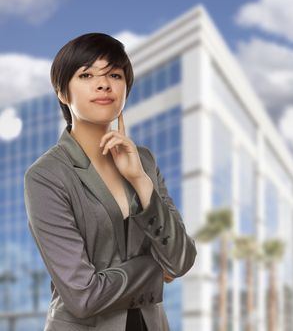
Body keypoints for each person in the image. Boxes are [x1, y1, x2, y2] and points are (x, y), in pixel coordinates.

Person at [24, 33, 197, 331]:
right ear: (62, 93)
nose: (103, 84)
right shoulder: (46, 176)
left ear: (126, 87)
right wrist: (155, 268)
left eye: (114, 75)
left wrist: (140, 181)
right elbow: (83, 296)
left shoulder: (144, 161)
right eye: (87, 74)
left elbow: (181, 259)